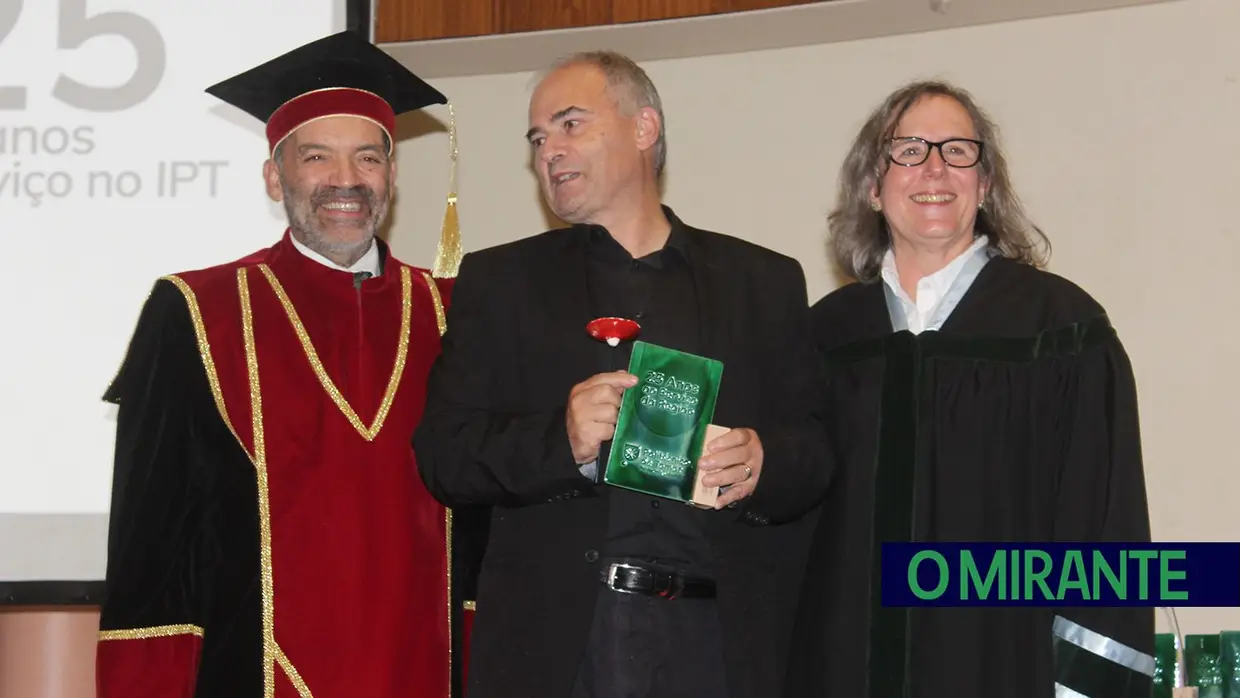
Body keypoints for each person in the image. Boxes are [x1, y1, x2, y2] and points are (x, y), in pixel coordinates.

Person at [413, 51, 831, 698]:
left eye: (570, 124)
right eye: (536, 137)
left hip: (717, 643)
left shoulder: (762, 283)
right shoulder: (501, 283)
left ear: (644, 128)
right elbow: (444, 453)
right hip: (558, 647)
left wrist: (762, 460)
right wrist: (563, 441)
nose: (547, 149)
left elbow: (817, 450)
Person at [94, 31, 486, 698]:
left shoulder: (455, 313)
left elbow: (485, 531)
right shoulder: (197, 311)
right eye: (316, 157)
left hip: (428, 670)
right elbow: (153, 543)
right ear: (275, 177)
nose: (346, 181)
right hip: (252, 670)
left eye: (368, 158)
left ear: (392, 175)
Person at [783, 80, 1155, 698]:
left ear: (984, 186)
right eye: (908, 150)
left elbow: (1105, 524)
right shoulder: (824, 336)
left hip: (1007, 668)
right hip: (840, 669)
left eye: (959, 151)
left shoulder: (1060, 330)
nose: (934, 166)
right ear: (873, 187)